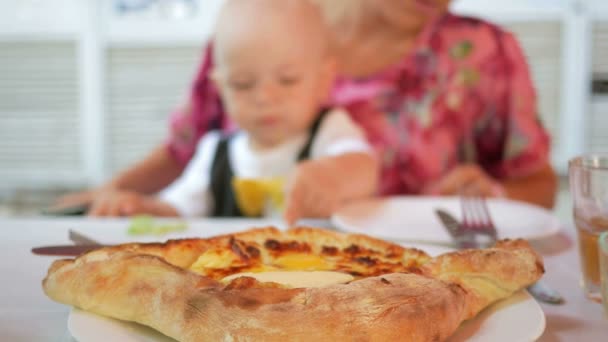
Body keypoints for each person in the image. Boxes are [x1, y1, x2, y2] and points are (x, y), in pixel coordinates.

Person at [54, 0, 557, 218]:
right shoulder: (255, 26)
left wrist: (491, 193)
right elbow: (184, 157)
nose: (264, 93)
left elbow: (540, 185)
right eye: (246, 85)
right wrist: (108, 197)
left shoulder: (485, 52)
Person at [69, 0, 377, 222]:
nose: (265, 97)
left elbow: (364, 166)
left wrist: (335, 176)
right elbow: (179, 210)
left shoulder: (330, 131)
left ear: (324, 80)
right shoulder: (213, 152)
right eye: (243, 84)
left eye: (287, 80)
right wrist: (140, 207)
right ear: (219, 88)